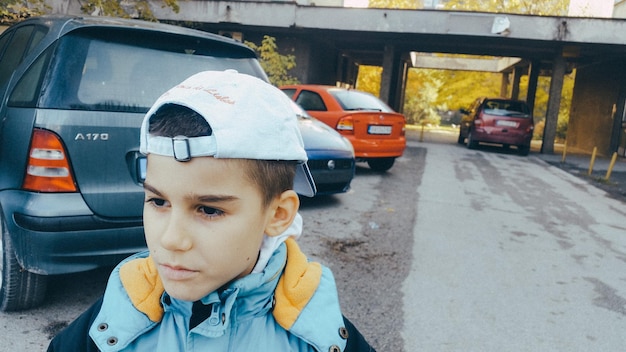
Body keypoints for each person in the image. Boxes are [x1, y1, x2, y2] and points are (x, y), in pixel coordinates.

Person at [47, 70, 374, 351]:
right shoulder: (114, 318)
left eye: (208, 210)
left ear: (277, 215)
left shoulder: (319, 335)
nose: (172, 240)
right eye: (159, 202)